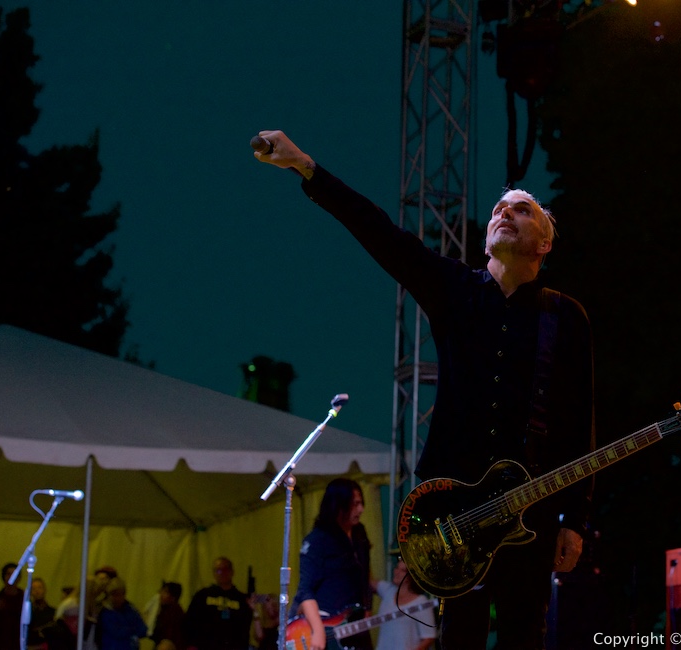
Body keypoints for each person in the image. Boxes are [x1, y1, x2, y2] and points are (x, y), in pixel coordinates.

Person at [253, 130, 595, 649]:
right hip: (454, 513)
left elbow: (579, 421)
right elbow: (379, 233)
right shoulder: (454, 288)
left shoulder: (565, 316)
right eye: (500, 209)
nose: (506, 212)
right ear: (485, 240)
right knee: (460, 637)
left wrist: (575, 520)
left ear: (544, 243)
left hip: (532, 511)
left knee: (525, 635)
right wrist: (306, 167)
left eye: (523, 210)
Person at [289, 478, 373, 650]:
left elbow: (364, 578)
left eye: (361, 503)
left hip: (354, 624)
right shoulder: (318, 540)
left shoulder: (359, 535)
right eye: (355, 504)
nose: (361, 509)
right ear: (339, 505)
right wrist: (318, 629)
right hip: (327, 624)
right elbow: (306, 590)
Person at [182, 558, 252, 650]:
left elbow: (245, 627)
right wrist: (191, 644)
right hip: (205, 645)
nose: (222, 573)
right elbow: (190, 621)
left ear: (232, 572)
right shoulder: (203, 595)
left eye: (225, 569)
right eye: (218, 570)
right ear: (214, 573)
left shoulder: (242, 599)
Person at [372, 558, 436, 650]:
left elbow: (428, 637)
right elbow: (368, 581)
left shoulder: (421, 602)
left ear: (410, 576)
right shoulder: (388, 591)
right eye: (397, 568)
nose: (396, 571)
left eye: (402, 570)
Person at [95, 577, 147, 650]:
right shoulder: (104, 612)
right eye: (114, 595)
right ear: (108, 595)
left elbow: (143, 630)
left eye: (120, 594)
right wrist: (132, 631)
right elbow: (115, 632)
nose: (117, 598)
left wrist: (127, 631)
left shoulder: (131, 610)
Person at [0, 563, 25, 650]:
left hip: (19, 643)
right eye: (8, 574)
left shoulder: (25, 599)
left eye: (14, 574)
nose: (11, 577)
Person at [149, 582, 184, 650]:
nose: (161, 594)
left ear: (173, 597)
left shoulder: (175, 612)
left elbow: (170, 636)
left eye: (165, 592)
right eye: (162, 591)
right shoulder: (163, 610)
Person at [28, 577, 56, 647]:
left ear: (44, 589)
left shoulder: (53, 612)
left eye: (40, 588)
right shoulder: (28, 613)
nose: (37, 591)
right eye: (33, 589)